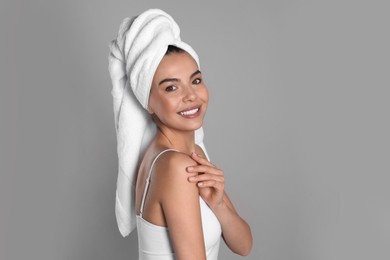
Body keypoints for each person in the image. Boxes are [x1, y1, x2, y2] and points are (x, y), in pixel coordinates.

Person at [109, 9, 252, 260]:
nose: (191, 96)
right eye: (172, 87)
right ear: (148, 102)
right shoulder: (175, 166)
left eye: (195, 81)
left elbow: (243, 245)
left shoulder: (192, 153)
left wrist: (217, 204)